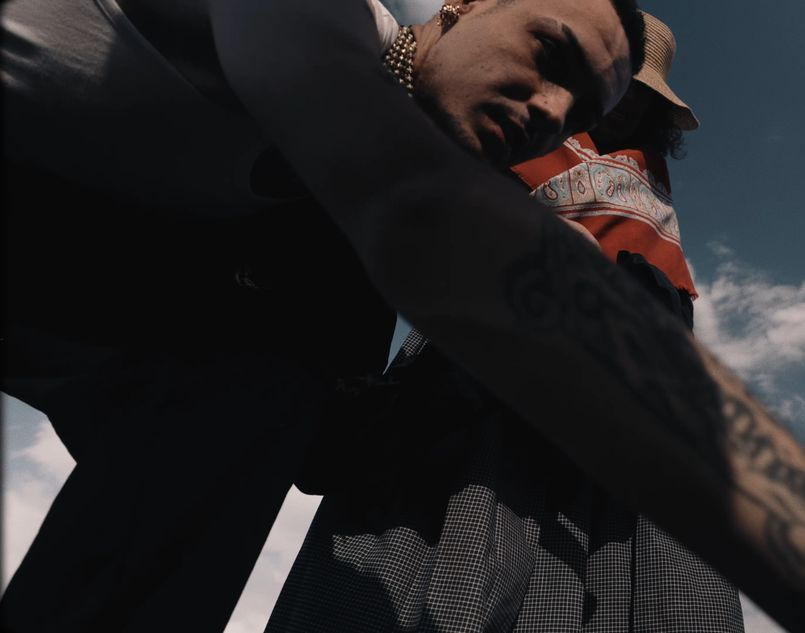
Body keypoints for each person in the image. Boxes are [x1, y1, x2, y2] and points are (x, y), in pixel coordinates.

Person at [1, 0, 805, 629]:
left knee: (265, 388)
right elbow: (432, 220)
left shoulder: (332, 264)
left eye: (583, 107)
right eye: (549, 51)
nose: (554, 110)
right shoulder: (322, 22)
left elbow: (284, 430)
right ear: (462, 5)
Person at [266, 13, 742, 632]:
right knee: (443, 541)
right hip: (490, 363)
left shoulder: (647, 187)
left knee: (597, 578)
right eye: (619, 88)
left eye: (641, 96)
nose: (626, 104)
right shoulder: (521, 130)